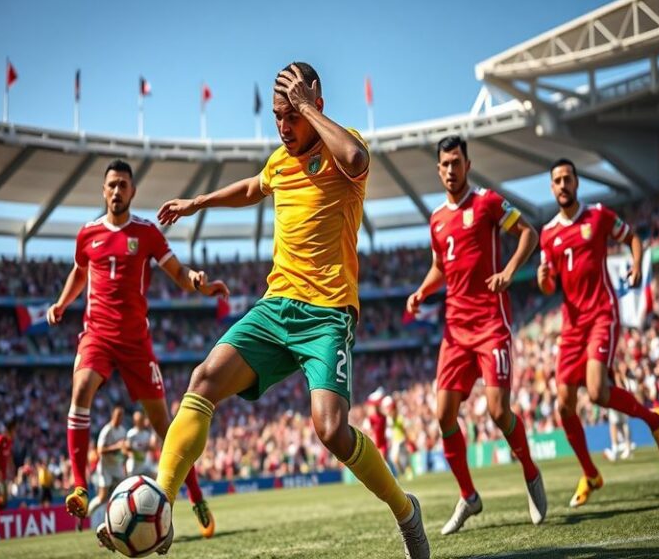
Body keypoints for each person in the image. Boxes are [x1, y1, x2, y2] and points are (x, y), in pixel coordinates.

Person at [98, 62, 430, 558]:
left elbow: (358, 159)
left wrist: (307, 111)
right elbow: (256, 186)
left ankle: (406, 511)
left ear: (314, 104)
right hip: (277, 307)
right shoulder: (280, 160)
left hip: (328, 313)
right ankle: (161, 506)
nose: (282, 126)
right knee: (204, 378)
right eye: (277, 116)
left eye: (289, 115)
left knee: (331, 430)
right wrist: (199, 202)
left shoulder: (343, 147)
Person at [47, 158, 226, 538]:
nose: (116, 191)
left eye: (123, 185)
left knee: (164, 425)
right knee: (80, 390)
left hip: (136, 344)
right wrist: (63, 303)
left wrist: (198, 281)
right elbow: (80, 272)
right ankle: (79, 484)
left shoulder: (146, 233)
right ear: (103, 190)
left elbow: (177, 272)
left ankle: (195, 494)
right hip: (96, 335)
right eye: (111, 184)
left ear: (132, 191)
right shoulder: (87, 234)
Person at [407, 135, 547, 535]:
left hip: (490, 325)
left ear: (468, 165)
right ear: (438, 170)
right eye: (445, 164)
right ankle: (469, 496)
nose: (451, 170)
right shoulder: (437, 220)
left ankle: (532, 474)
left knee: (498, 411)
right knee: (442, 414)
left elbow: (529, 233)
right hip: (456, 331)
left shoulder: (487, 202)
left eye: (457, 162)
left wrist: (510, 270)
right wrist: (422, 290)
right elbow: (441, 267)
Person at [537, 157, 659, 507]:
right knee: (563, 404)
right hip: (571, 326)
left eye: (568, 178)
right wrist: (544, 281)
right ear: (552, 188)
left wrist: (637, 269)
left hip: (601, 314)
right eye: (557, 180)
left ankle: (652, 419)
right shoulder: (548, 234)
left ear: (577, 183)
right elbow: (550, 286)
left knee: (597, 391)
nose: (563, 184)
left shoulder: (598, 216)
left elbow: (634, 240)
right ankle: (591, 474)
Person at [87, 405, 127, 519]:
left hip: (117, 466)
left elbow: (123, 449)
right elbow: (100, 450)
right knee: (102, 497)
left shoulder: (122, 431)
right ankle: (85, 515)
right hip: (106, 468)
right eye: (118, 415)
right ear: (113, 416)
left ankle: (116, 520)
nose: (120, 418)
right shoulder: (106, 431)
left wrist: (125, 451)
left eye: (122, 416)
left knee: (122, 494)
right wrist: (116, 447)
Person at [125, 410, 156, 477]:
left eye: (142, 420)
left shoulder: (146, 434)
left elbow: (151, 448)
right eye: (139, 420)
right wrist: (133, 455)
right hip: (133, 466)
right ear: (135, 421)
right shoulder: (131, 433)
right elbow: (127, 448)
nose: (141, 422)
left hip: (143, 465)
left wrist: (148, 447)